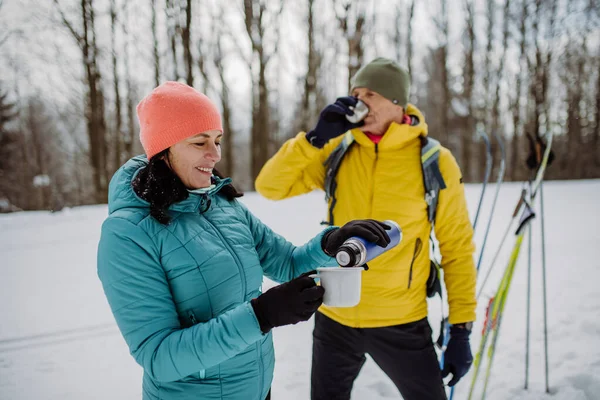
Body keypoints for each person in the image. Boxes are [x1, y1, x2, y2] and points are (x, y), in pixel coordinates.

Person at [97, 81, 391, 400]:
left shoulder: (222, 204)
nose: (215, 154)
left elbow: (287, 262)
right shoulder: (128, 234)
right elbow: (159, 358)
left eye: (217, 140)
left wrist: (331, 241)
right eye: (199, 142)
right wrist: (261, 315)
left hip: (257, 389)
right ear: (162, 150)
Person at [255, 58, 477, 400]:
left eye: (370, 93)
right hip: (336, 313)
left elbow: (457, 247)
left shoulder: (433, 160)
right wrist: (313, 139)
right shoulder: (338, 151)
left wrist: (461, 327)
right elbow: (269, 185)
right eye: (355, 93)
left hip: (401, 318)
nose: (359, 101)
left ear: (397, 102)